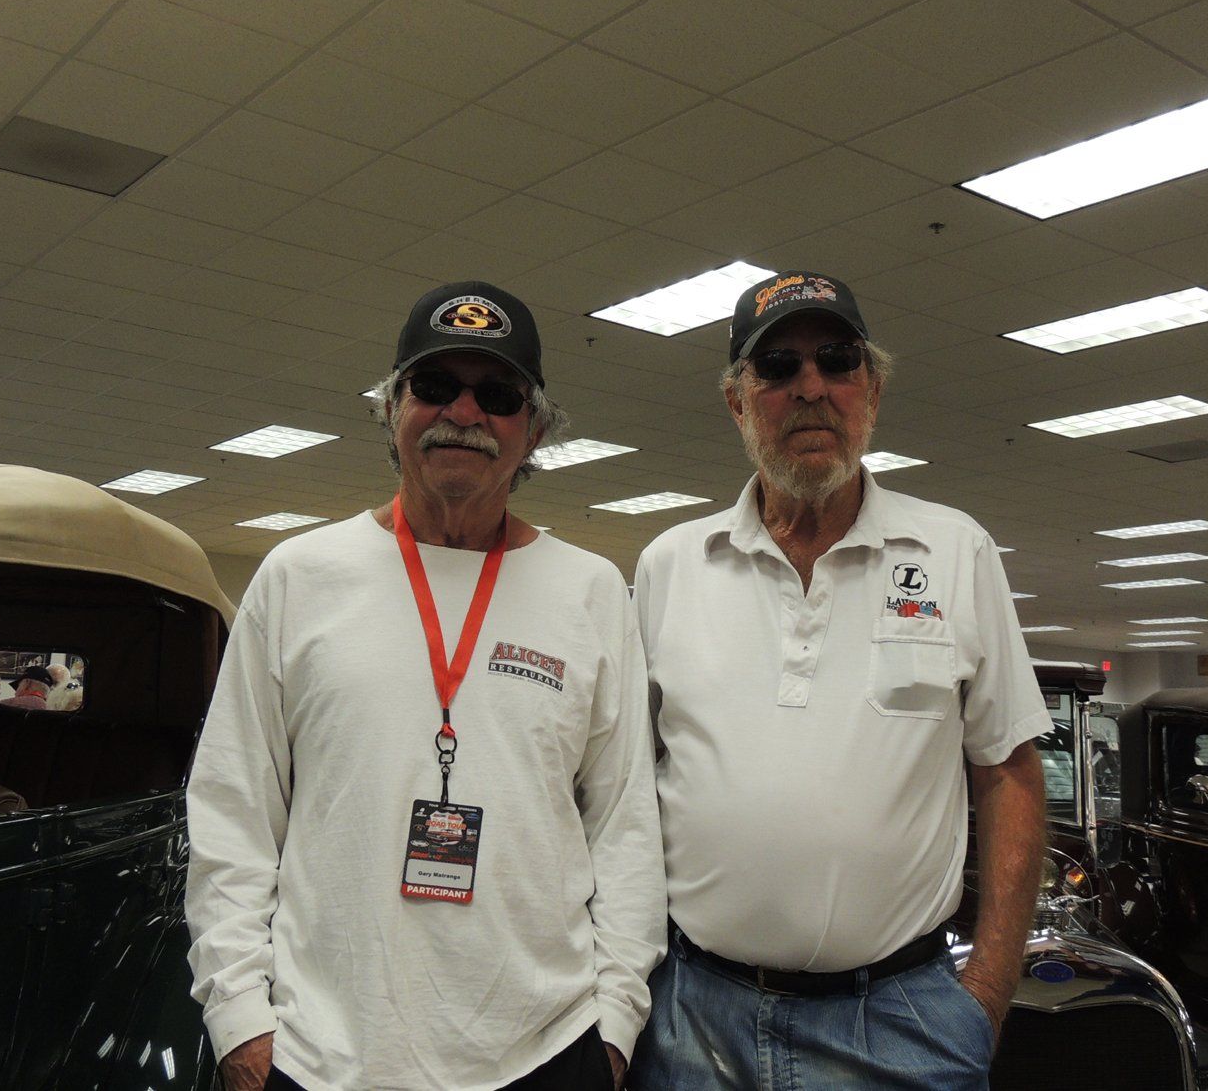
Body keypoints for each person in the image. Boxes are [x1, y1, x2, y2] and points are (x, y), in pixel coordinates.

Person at [186, 282, 665, 1091]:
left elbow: (624, 824)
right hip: (322, 1051)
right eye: (436, 386)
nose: (466, 413)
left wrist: (614, 1024)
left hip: (546, 1050)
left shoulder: (590, 590)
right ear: (391, 407)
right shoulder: (298, 577)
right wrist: (240, 1021)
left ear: (536, 427)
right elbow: (233, 810)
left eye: (499, 394)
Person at [631, 271, 1052, 1091]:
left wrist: (986, 995)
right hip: (691, 1017)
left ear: (873, 389)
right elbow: (621, 792)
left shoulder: (954, 551)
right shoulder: (670, 565)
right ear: (737, 402)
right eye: (777, 368)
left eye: (837, 360)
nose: (811, 388)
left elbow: (1008, 771)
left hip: (899, 1023)